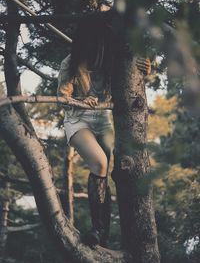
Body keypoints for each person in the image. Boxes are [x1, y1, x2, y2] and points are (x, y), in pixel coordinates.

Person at [57, 14, 151, 247]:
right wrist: (81, 101)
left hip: (103, 120)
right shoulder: (71, 63)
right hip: (78, 120)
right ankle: (98, 230)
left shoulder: (113, 60)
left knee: (118, 165)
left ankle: (103, 234)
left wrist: (144, 69)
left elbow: (133, 80)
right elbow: (62, 99)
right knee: (99, 162)